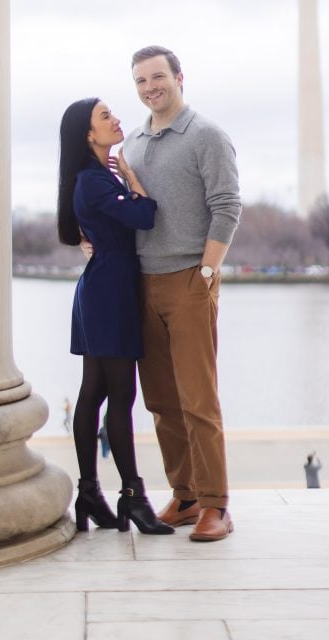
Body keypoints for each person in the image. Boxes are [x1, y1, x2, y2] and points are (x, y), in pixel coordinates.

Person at [123, 45, 241, 542]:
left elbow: (227, 205)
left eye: (158, 77)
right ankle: (186, 494)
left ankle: (217, 504)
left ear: (178, 78)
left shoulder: (207, 136)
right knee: (162, 402)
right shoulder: (131, 143)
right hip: (140, 284)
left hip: (190, 281)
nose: (151, 87)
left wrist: (207, 274)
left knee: (198, 400)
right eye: (141, 81)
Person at [57, 97, 173, 535]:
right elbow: (145, 215)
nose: (116, 119)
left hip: (105, 287)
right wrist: (131, 177)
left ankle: (91, 492)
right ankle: (133, 498)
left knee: (97, 392)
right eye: (105, 117)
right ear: (88, 135)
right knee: (117, 397)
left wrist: (120, 176)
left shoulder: (95, 177)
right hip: (108, 293)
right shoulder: (95, 180)